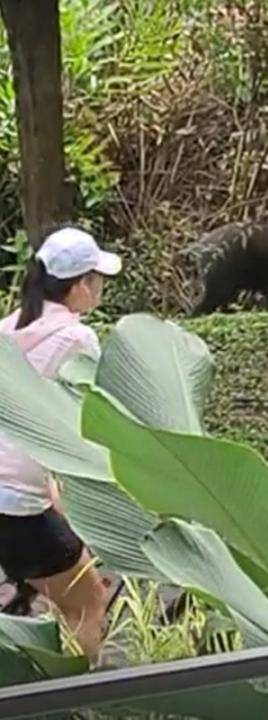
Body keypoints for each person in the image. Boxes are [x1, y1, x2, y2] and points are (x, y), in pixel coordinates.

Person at [0, 225, 122, 661]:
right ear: (80, 286)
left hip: (15, 497)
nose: (100, 288)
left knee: (57, 579)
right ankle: (78, 701)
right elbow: (89, 423)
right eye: (98, 280)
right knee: (89, 602)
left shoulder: (6, 330)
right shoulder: (76, 339)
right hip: (16, 508)